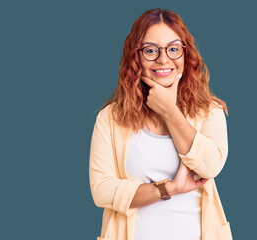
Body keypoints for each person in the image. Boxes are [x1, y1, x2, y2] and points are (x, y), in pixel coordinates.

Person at [89, 8, 233, 240]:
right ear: (136, 56)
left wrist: (168, 109)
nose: (163, 59)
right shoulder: (110, 118)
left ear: (186, 54)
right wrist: (170, 189)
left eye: (173, 49)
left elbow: (210, 166)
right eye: (150, 50)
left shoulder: (210, 112)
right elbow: (101, 190)